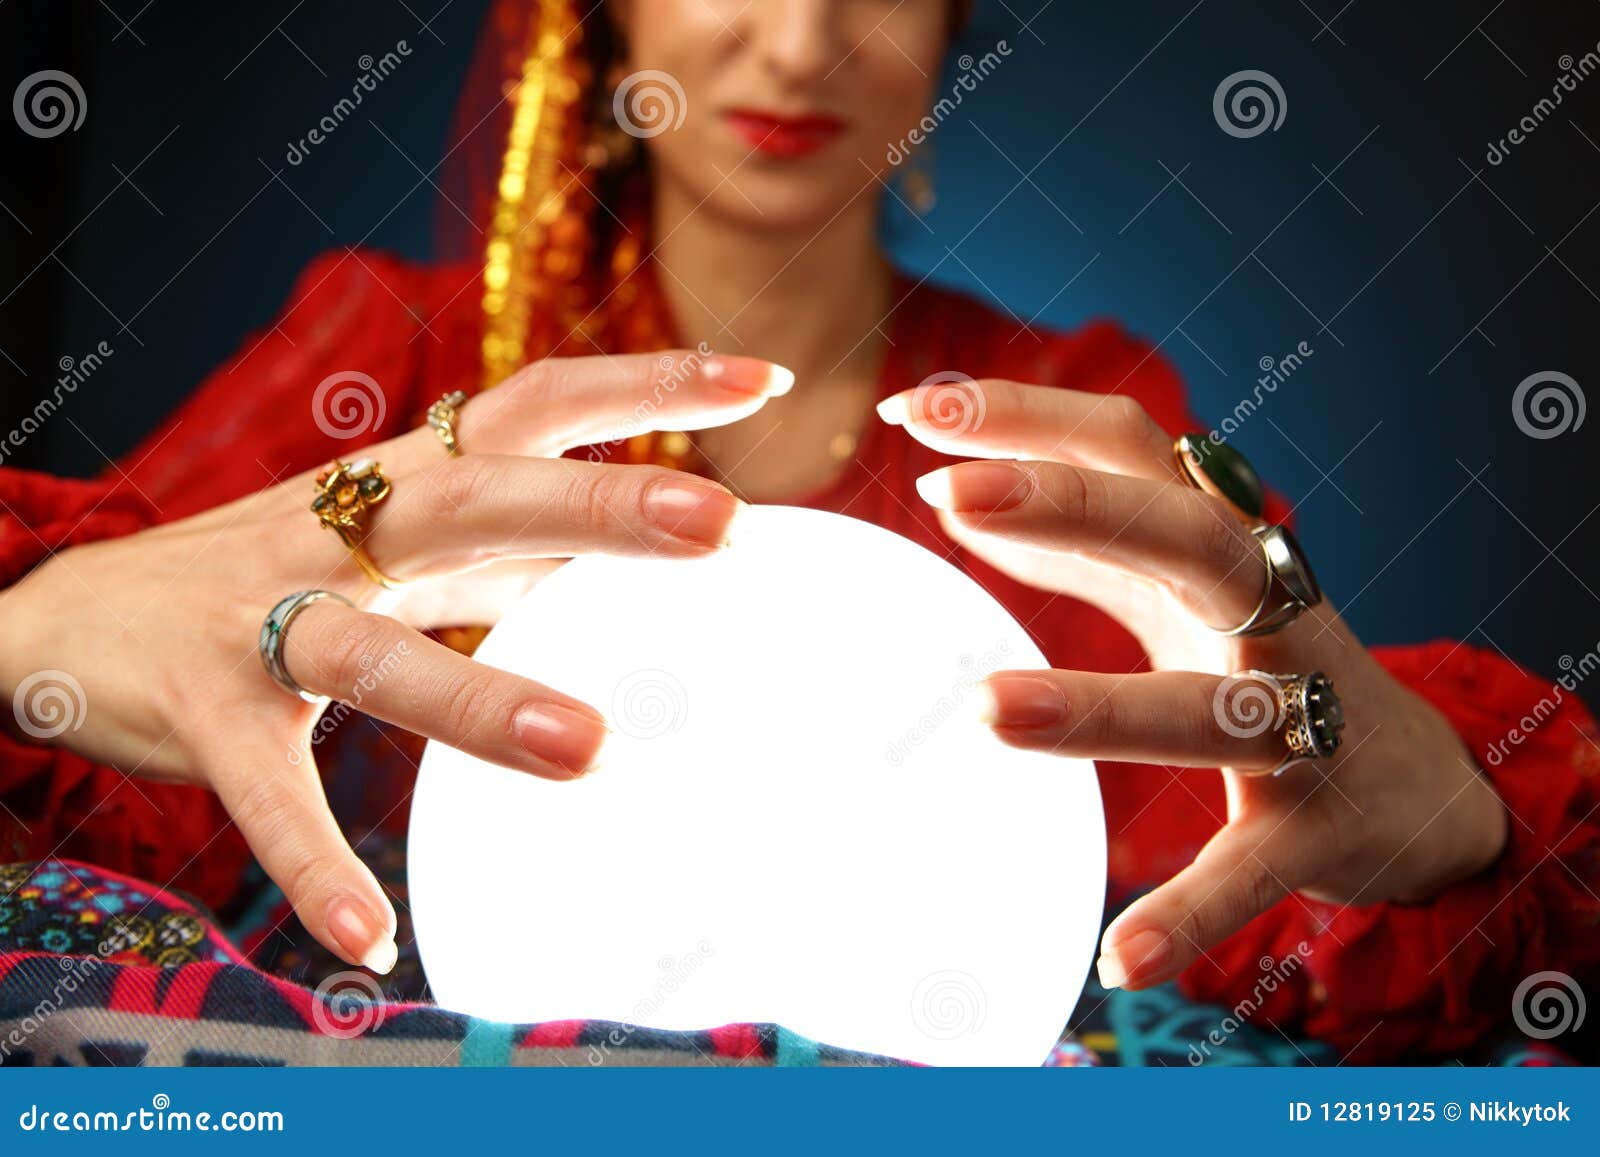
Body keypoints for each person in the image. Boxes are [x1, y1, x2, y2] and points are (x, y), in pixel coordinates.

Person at [1, 0, 1594, 1063]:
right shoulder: (393, 382)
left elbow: (1269, 885)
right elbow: (133, 746)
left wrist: (1454, 816)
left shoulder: (1074, 425)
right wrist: (40, 624)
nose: (804, 40)